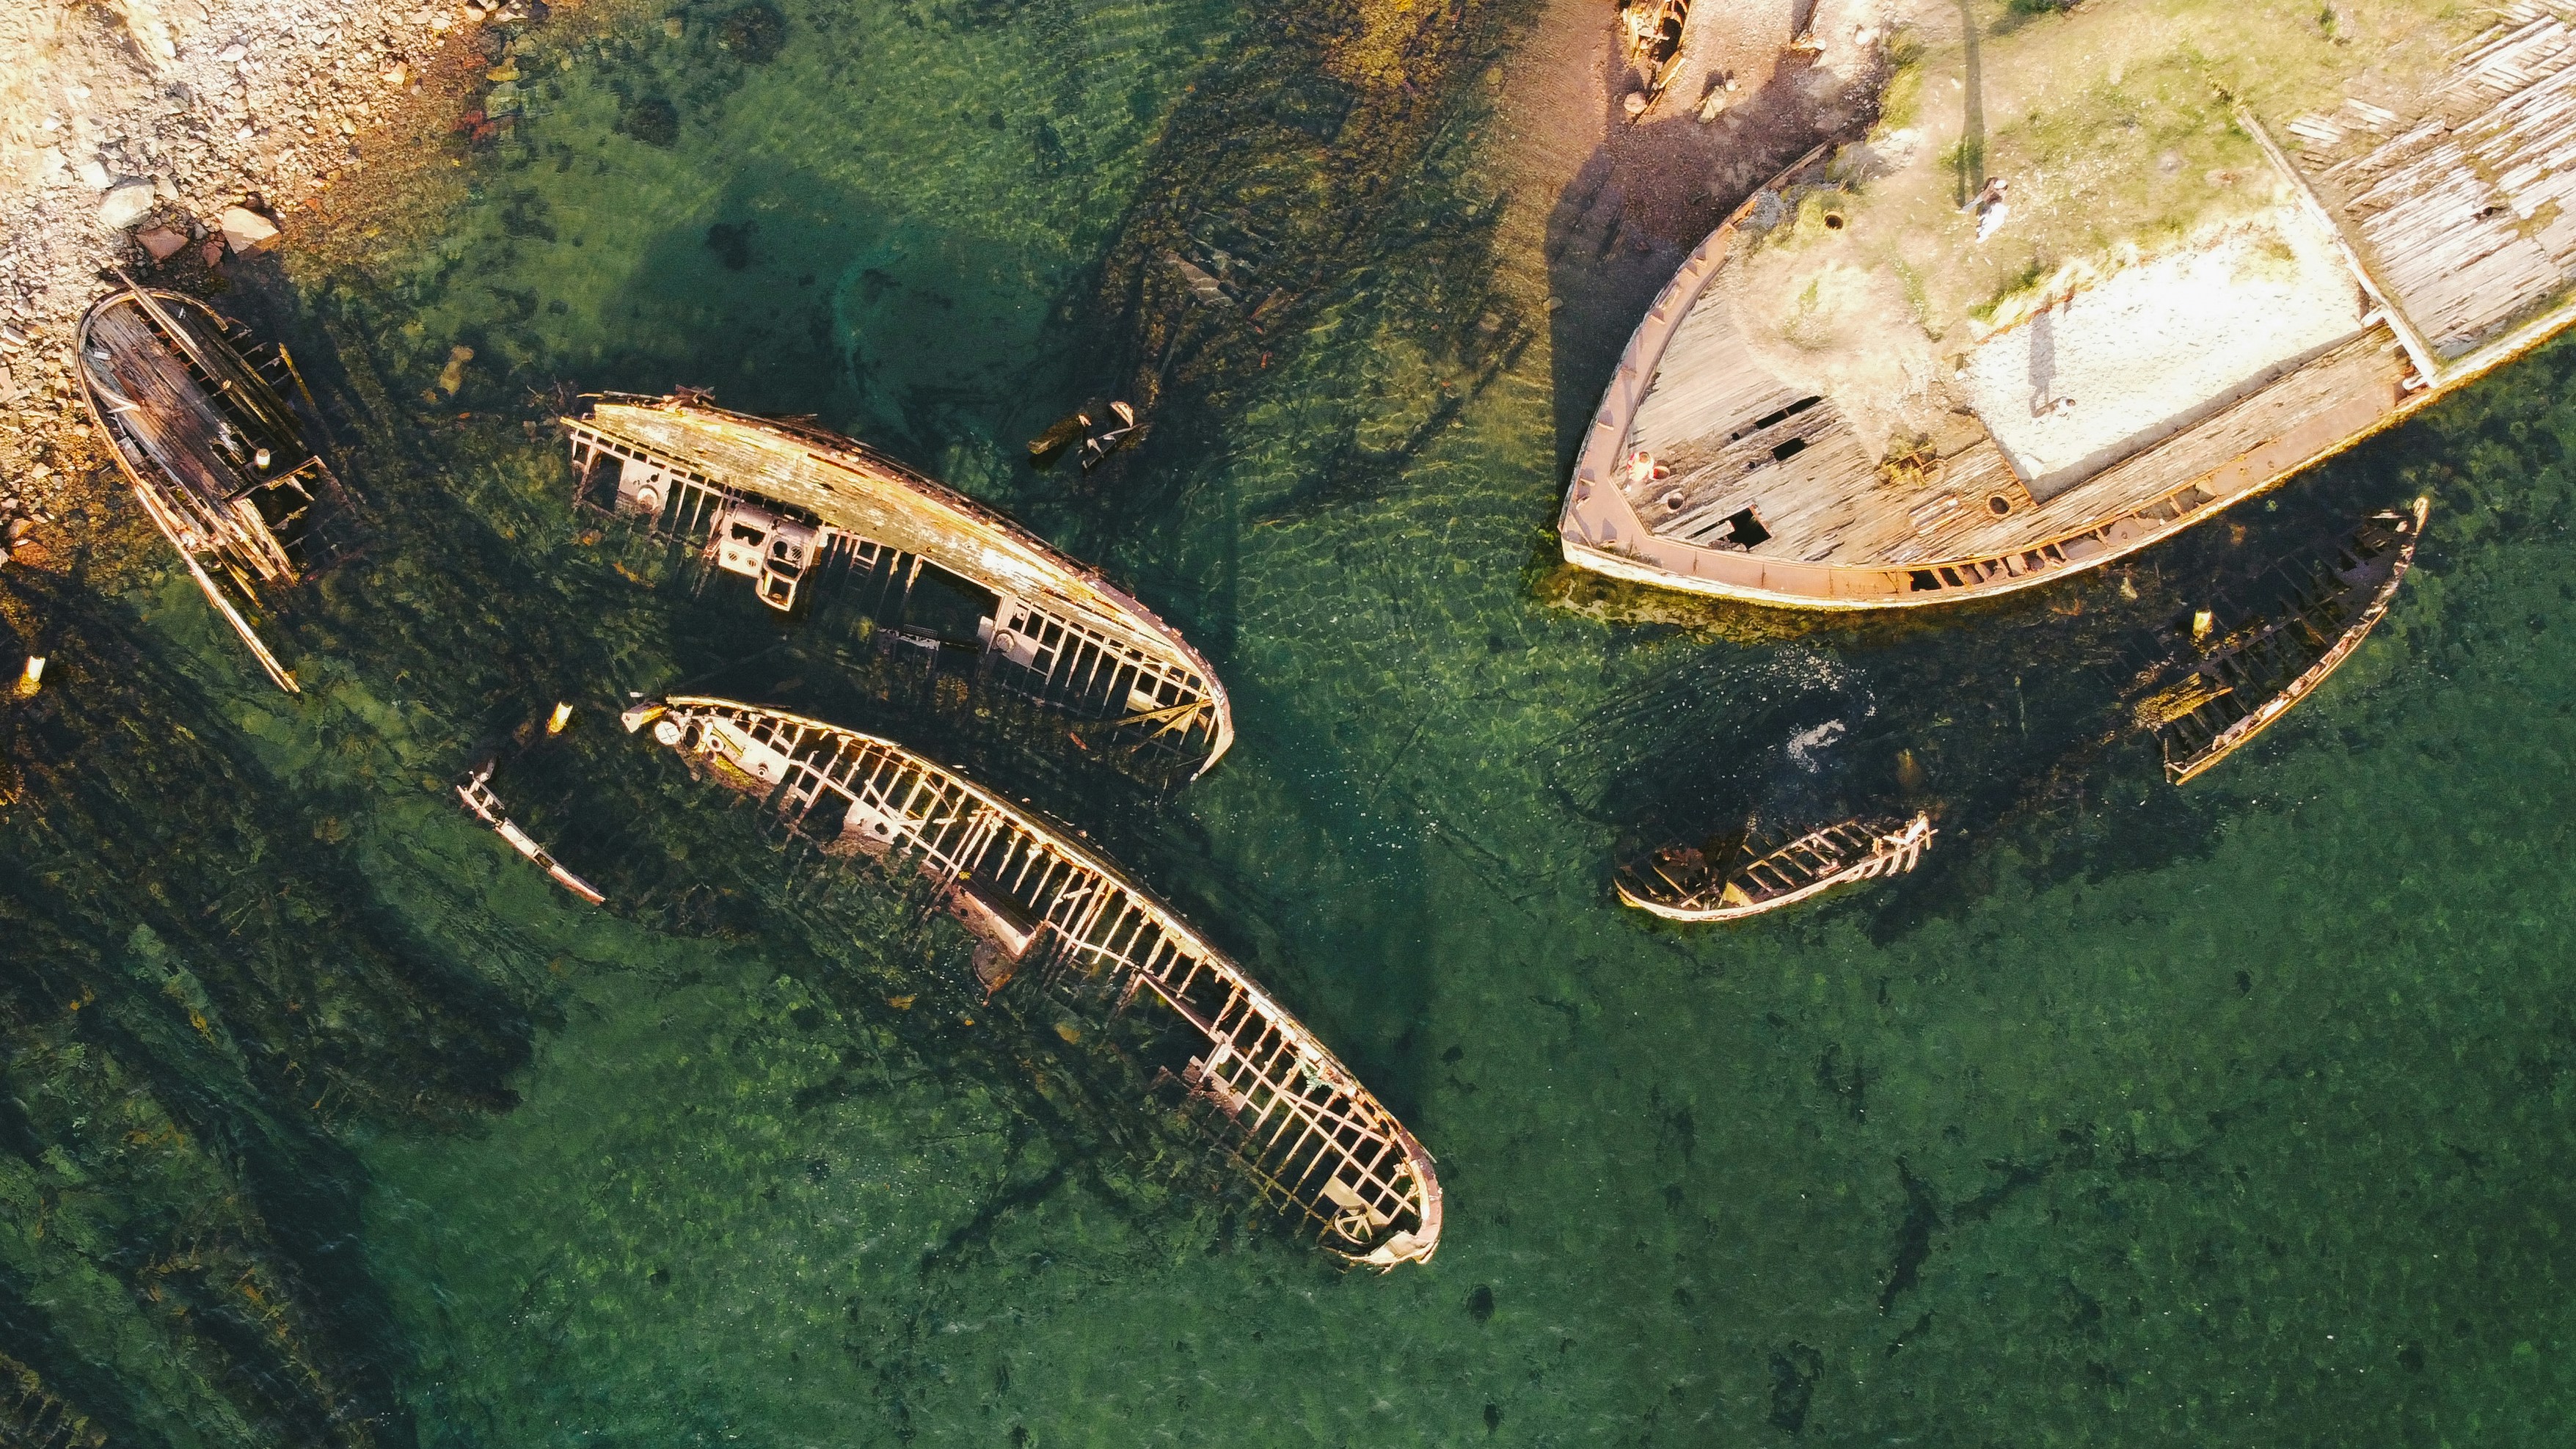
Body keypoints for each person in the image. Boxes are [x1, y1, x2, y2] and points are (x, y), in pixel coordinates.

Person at [1974, 177, 2009, 243]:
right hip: (1992, 210)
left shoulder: (1997, 208)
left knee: (1986, 228)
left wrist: (1982, 216)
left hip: (1993, 220)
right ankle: (1981, 230)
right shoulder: (1997, 206)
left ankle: (1981, 237)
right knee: (1985, 223)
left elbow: (1988, 214)